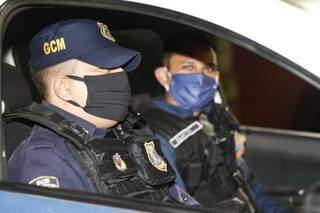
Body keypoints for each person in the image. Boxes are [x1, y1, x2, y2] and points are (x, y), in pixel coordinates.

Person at [6, 19, 199, 206]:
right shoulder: (46, 159)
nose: (121, 75)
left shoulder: (129, 133)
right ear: (63, 87)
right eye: (105, 68)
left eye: (121, 67)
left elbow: (178, 200)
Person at [135, 34, 290, 212]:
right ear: (164, 76)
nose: (201, 77)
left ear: (217, 76)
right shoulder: (156, 135)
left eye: (208, 69)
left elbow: (249, 186)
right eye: (188, 67)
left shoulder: (216, 120)